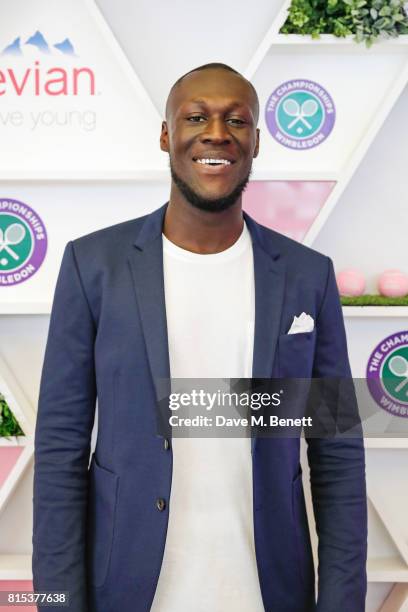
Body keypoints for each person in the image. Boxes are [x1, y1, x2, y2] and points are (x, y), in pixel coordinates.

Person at [32, 63, 368, 612]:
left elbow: (336, 455)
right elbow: (60, 451)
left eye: (236, 120)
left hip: (271, 593)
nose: (216, 132)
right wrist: (55, 602)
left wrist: (341, 604)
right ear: (167, 134)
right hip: (126, 589)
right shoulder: (93, 266)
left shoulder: (308, 276)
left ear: (256, 141)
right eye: (195, 117)